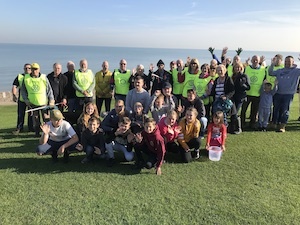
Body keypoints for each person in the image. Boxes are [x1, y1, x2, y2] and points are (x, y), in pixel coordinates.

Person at [21, 63, 55, 137]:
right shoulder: (26, 78)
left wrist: (51, 100)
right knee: (36, 120)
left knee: (46, 119)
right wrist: (26, 100)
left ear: (39, 69)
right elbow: (23, 91)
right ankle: (37, 133)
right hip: (32, 103)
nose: (34, 71)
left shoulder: (43, 77)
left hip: (43, 103)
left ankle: (48, 133)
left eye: (36, 69)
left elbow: (49, 90)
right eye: (32, 69)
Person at [268, 55, 300, 132]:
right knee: (276, 109)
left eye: (289, 62)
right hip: (278, 93)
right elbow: (270, 73)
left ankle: (282, 126)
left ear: (293, 62)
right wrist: (272, 63)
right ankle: (274, 123)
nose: (287, 63)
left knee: (285, 110)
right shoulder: (280, 70)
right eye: (286, 61)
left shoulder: (296, 71)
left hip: (288, 94)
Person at [241, 55, 266, 129]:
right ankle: (242, 123)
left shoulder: (263, 69)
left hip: (257, 94)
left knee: (254, 111)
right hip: (247, 93)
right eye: (254, 60)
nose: (255, 61)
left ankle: (252, 124)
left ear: (259, 61)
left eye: (256, 60)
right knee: (243, 110)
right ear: (251, 60)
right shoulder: (247, 68)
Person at [12, 63, 34, 134]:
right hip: (22, 99)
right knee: (20, 114)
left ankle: (31, 128)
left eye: (29, 68)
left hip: (31, 99)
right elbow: (15, 86)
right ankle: (19, 128)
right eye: (26, 68)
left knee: (31, 114)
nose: (27, 69)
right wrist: (14, 95)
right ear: (23, 69)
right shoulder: (20, 76)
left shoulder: (34, 76)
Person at [231, 62, 251, 133]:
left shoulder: (244, 76)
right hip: (233, 97)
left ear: (242, 68)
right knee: (233, 112)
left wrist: (242, 84)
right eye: (236, 67)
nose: (237, 69)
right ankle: (232, 127)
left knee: (235, 112)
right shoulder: (233, 76)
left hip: (240, 97)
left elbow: (248, 87)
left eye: (239, 67)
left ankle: (238, 128)